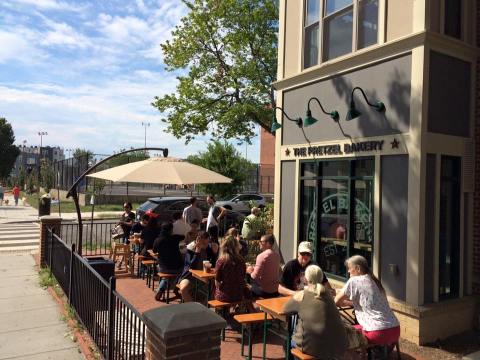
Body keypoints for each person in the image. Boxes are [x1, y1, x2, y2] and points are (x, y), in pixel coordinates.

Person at [284, 265, 348, 359]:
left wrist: (296, 295)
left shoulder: (302, 295)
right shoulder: (329, 295)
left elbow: (286, 309)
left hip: (312, 347)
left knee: (288, 342)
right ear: (322, 278)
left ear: (305, 278)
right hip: (338, 346)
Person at [335, 255, 400, 346]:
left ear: (357, 268)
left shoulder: (354, 280)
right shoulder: (375, 280)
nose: (348, 271)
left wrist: (338, 294)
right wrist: (349, 302)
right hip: (395, 330)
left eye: (349, 268)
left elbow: (336, 301)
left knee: (344, 333)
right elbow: (368, 303)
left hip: (376, 332)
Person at [178, 231, 218, 302]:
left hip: (203, 276)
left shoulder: (209, 248)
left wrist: (215, 253)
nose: (206, 245)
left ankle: (207, 306)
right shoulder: (190, 249)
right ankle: (192, 307)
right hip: (189, 276)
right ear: (198, 240)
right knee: (183, 289)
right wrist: (197, 251)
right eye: (204, 243)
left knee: (215, 284)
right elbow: (191, 267)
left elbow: (213, 265)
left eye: (207, 243)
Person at [153, 222, 184, 301]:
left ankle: (161, 289)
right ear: (171, 230)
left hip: (163, 268)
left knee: (165, 275)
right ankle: (176, 289)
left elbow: (154, 250)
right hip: (178, 267)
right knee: (181, 273)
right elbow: (183, 236)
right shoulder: (175, 238)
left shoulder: (158, 240)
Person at [214, 235, 249, 302]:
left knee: (216, 290)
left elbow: (217, 283)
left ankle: (220, 311)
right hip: (239, 295)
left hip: (224, 296)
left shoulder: (221, 261)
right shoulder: (242, 260)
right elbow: (242, 277)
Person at [246, 234, 280, 298]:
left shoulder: (261, 256)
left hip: (265, 291)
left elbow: (255, 276)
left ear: (268, 243)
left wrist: (249, 271)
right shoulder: (277, 255)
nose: (259, 243)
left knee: (245, 285)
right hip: (275, 290)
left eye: (261, 242)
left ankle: (249, 306)